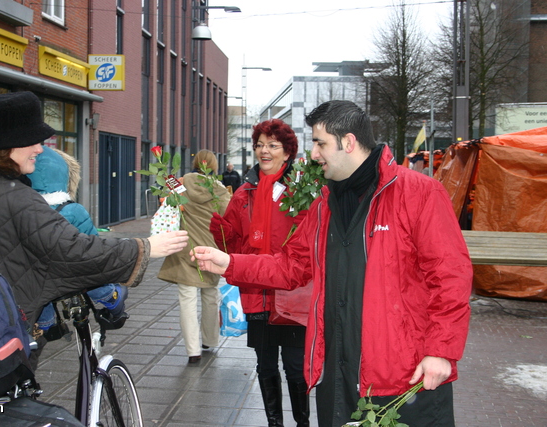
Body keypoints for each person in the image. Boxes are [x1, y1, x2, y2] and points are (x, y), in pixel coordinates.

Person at [192, 100, 473, 427]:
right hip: (336, 375)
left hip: (402, 376)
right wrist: (229, 263)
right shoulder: (324, 206)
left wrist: (440, 350)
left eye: (320, 142)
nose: (313, 153)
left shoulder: (418, 193)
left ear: (349, 142)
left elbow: (450, 277)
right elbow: (291, 266)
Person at [0, 91, 188, 367]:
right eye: (34, 141)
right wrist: (146, 247)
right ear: (11, 143)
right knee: (9, 403)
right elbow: (73, 250)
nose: (40, 150)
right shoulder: (18, 197)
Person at [209, 119, 310, 427]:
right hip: (257, 294)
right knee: (265, 364)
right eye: (260, 145)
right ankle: (274, 423)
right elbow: (234, 245)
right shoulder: (243, 194)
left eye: (272, 145)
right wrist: (219, 229)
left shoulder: (302, 191)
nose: (264, 151)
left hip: (291, 294)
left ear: (288, 151)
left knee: (295, 366)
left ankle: (303, 423)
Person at [28, 146, 129, 334]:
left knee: (36, 287)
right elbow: (93, 245)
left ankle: (46, 325)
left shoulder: (23, 210)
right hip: (70, 273)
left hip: (39, 278)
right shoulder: (72, 209)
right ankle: (111, 297)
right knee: (89, 268)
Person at [157, 150, 231, 364]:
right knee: (210, 296)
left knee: (187, 300)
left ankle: (192, 351)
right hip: (211, 250)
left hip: (185, 248)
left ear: (195, 163)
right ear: (215, 166)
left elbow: (163, 198)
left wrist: (166, 172)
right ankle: (210, 341)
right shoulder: (219, 189)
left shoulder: (180, 182)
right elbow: (228, 216)